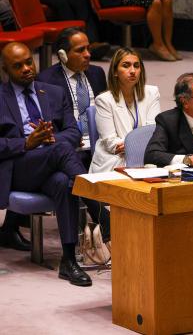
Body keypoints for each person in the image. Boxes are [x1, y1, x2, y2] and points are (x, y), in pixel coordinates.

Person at [0, 42, 91, 286]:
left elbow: (73, 131)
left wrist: (52, 139)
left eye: (29, 62)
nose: (26, 68)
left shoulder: (53, 92)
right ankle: (97, 206)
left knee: (62, 182)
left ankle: (69, 260)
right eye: (17, 66)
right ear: (5, 70)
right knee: (61, 151)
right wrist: (25, 143)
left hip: (52, 163)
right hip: (19, 168)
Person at [37, 27, 111, 242]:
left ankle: (109, 222)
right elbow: (50, 124)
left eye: (88, 48)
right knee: (75, 165)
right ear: (62, 55)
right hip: (69, 146)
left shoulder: (97, 73)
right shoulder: (47, 80)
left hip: (98, 142)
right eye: (80, 50)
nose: (88, 54)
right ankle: (102, 219)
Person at [89, 47, 160, 173]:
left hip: (146, 158)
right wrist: (141, 144)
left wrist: (132, 145)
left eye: (136, 66)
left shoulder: (152, 93)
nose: (132, 71)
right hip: (114, 161)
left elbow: (153, 131)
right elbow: (111, 142)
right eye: (126, 66)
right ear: (115, 72)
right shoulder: (104, 100)